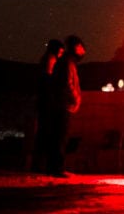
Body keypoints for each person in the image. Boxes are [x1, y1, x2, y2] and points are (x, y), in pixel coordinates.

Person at [47, 34, 86, 177]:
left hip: (62, 104)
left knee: (59, 136)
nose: (84, 51)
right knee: (60, 137)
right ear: (75, 47)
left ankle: (55, 167)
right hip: (63, 105)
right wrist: (75, 97)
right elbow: (67, 84)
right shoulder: (67, 63)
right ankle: (57, 168)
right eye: (81, 47)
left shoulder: (67, 62)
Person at [31, 38, 64, 173]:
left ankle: (38, 164)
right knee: (45, 133)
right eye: (60, 51)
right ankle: (39, 165)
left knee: (43, 133)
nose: (62, 54)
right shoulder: (50, 60)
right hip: (47, 102)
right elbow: (48, 80)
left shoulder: (46, 59)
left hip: (44, 100)